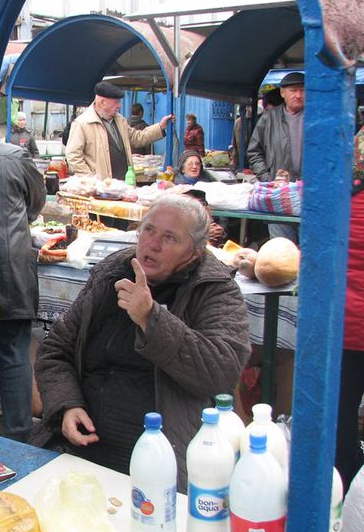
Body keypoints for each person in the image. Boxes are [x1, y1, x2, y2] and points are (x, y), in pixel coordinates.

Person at [33, 194, 251, 490]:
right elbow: (56, 350)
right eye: (149, 230)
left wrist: (151, 319)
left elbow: (220, 372)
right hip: (79, 447)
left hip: (160, 459)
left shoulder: (215, 291)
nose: (153, 244)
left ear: (194, 252)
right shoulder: (112, 273)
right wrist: (67, 405)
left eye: (170, 237)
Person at [0, 141, 46, 442]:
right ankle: (17, 432)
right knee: (13, 350)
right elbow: (37, 202)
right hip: (9, 267)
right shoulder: (13, 155)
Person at [65, 80, 172, 178]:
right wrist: (91, 179)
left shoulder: (120, 120)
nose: (119, 105)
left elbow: (137, 138)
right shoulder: (82, 123)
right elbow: (73, 156)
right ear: (102, 102)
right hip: (102, 189)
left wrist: (160, 127)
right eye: (116, 102)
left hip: (124, 184)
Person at [336, 124, 364, 494]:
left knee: (340, 418)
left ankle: (340, 488)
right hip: (347, 325)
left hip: (343, 328)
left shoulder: (343, 200)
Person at [247, 71, 305, 242]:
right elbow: (253, 151)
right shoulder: (269, 118)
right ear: (282, 93)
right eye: (293, 90)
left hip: (307, 193)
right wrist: (267, 178)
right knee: (281, 249)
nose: (298, 95)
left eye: (302, 90)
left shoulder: (316, 118)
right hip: (279, 194)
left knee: (309, 251)